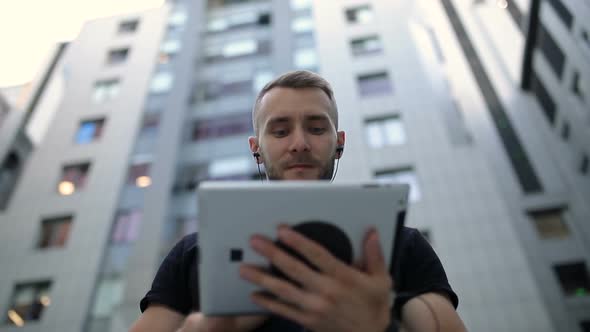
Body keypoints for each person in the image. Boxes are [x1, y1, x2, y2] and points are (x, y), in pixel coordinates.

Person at [129, 71, 466, 332]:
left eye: (317, 129)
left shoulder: (400, 243)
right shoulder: (193, 253)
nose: (300, 143)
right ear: (255, 147)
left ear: (339, 143)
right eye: (279, 131)